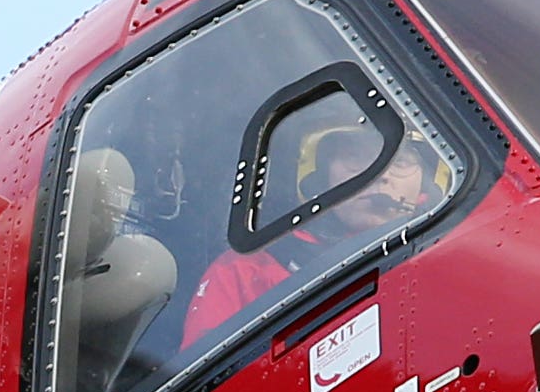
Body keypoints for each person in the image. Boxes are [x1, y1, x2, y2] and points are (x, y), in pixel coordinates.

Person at [179, 125, 434, 349]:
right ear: (322, 175)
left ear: (427, 179)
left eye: (400, 161)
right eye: (357, 157)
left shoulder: (452, 243)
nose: (382, 173)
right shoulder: (245, 268)